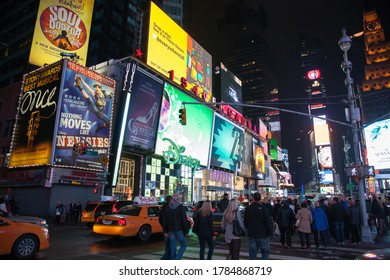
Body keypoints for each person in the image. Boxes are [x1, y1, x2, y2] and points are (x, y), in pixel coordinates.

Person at [244, 192, 271, 260]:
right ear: (260, 199)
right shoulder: (264, 208)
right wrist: (269, 232)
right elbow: (267, 222)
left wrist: (249, 229)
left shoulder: (248, 208)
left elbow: (245, 222)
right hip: (263, 234)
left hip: (252, 234)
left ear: (253, 198)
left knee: (252, 255)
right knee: (265, 254)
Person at [162, 193, 189, 260]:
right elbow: (184, 220)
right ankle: (176, 259)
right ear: (178, 199)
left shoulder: (168, 207)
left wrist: (165, 231)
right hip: (179, 229)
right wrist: (186, 231)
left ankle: (172, 258)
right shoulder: (181, 207)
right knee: (183, 244)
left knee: (173, 245)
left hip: (170, 230)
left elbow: (165, 220)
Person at [158, 195, 172, 260]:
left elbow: (160, 218)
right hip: (169, 228)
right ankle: (167, 256)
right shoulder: (170, 208)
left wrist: (164, 227)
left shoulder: (163, 207)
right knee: (171, 243)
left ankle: (167, 256)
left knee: (168, 244)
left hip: (166, 228)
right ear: (171, 200)